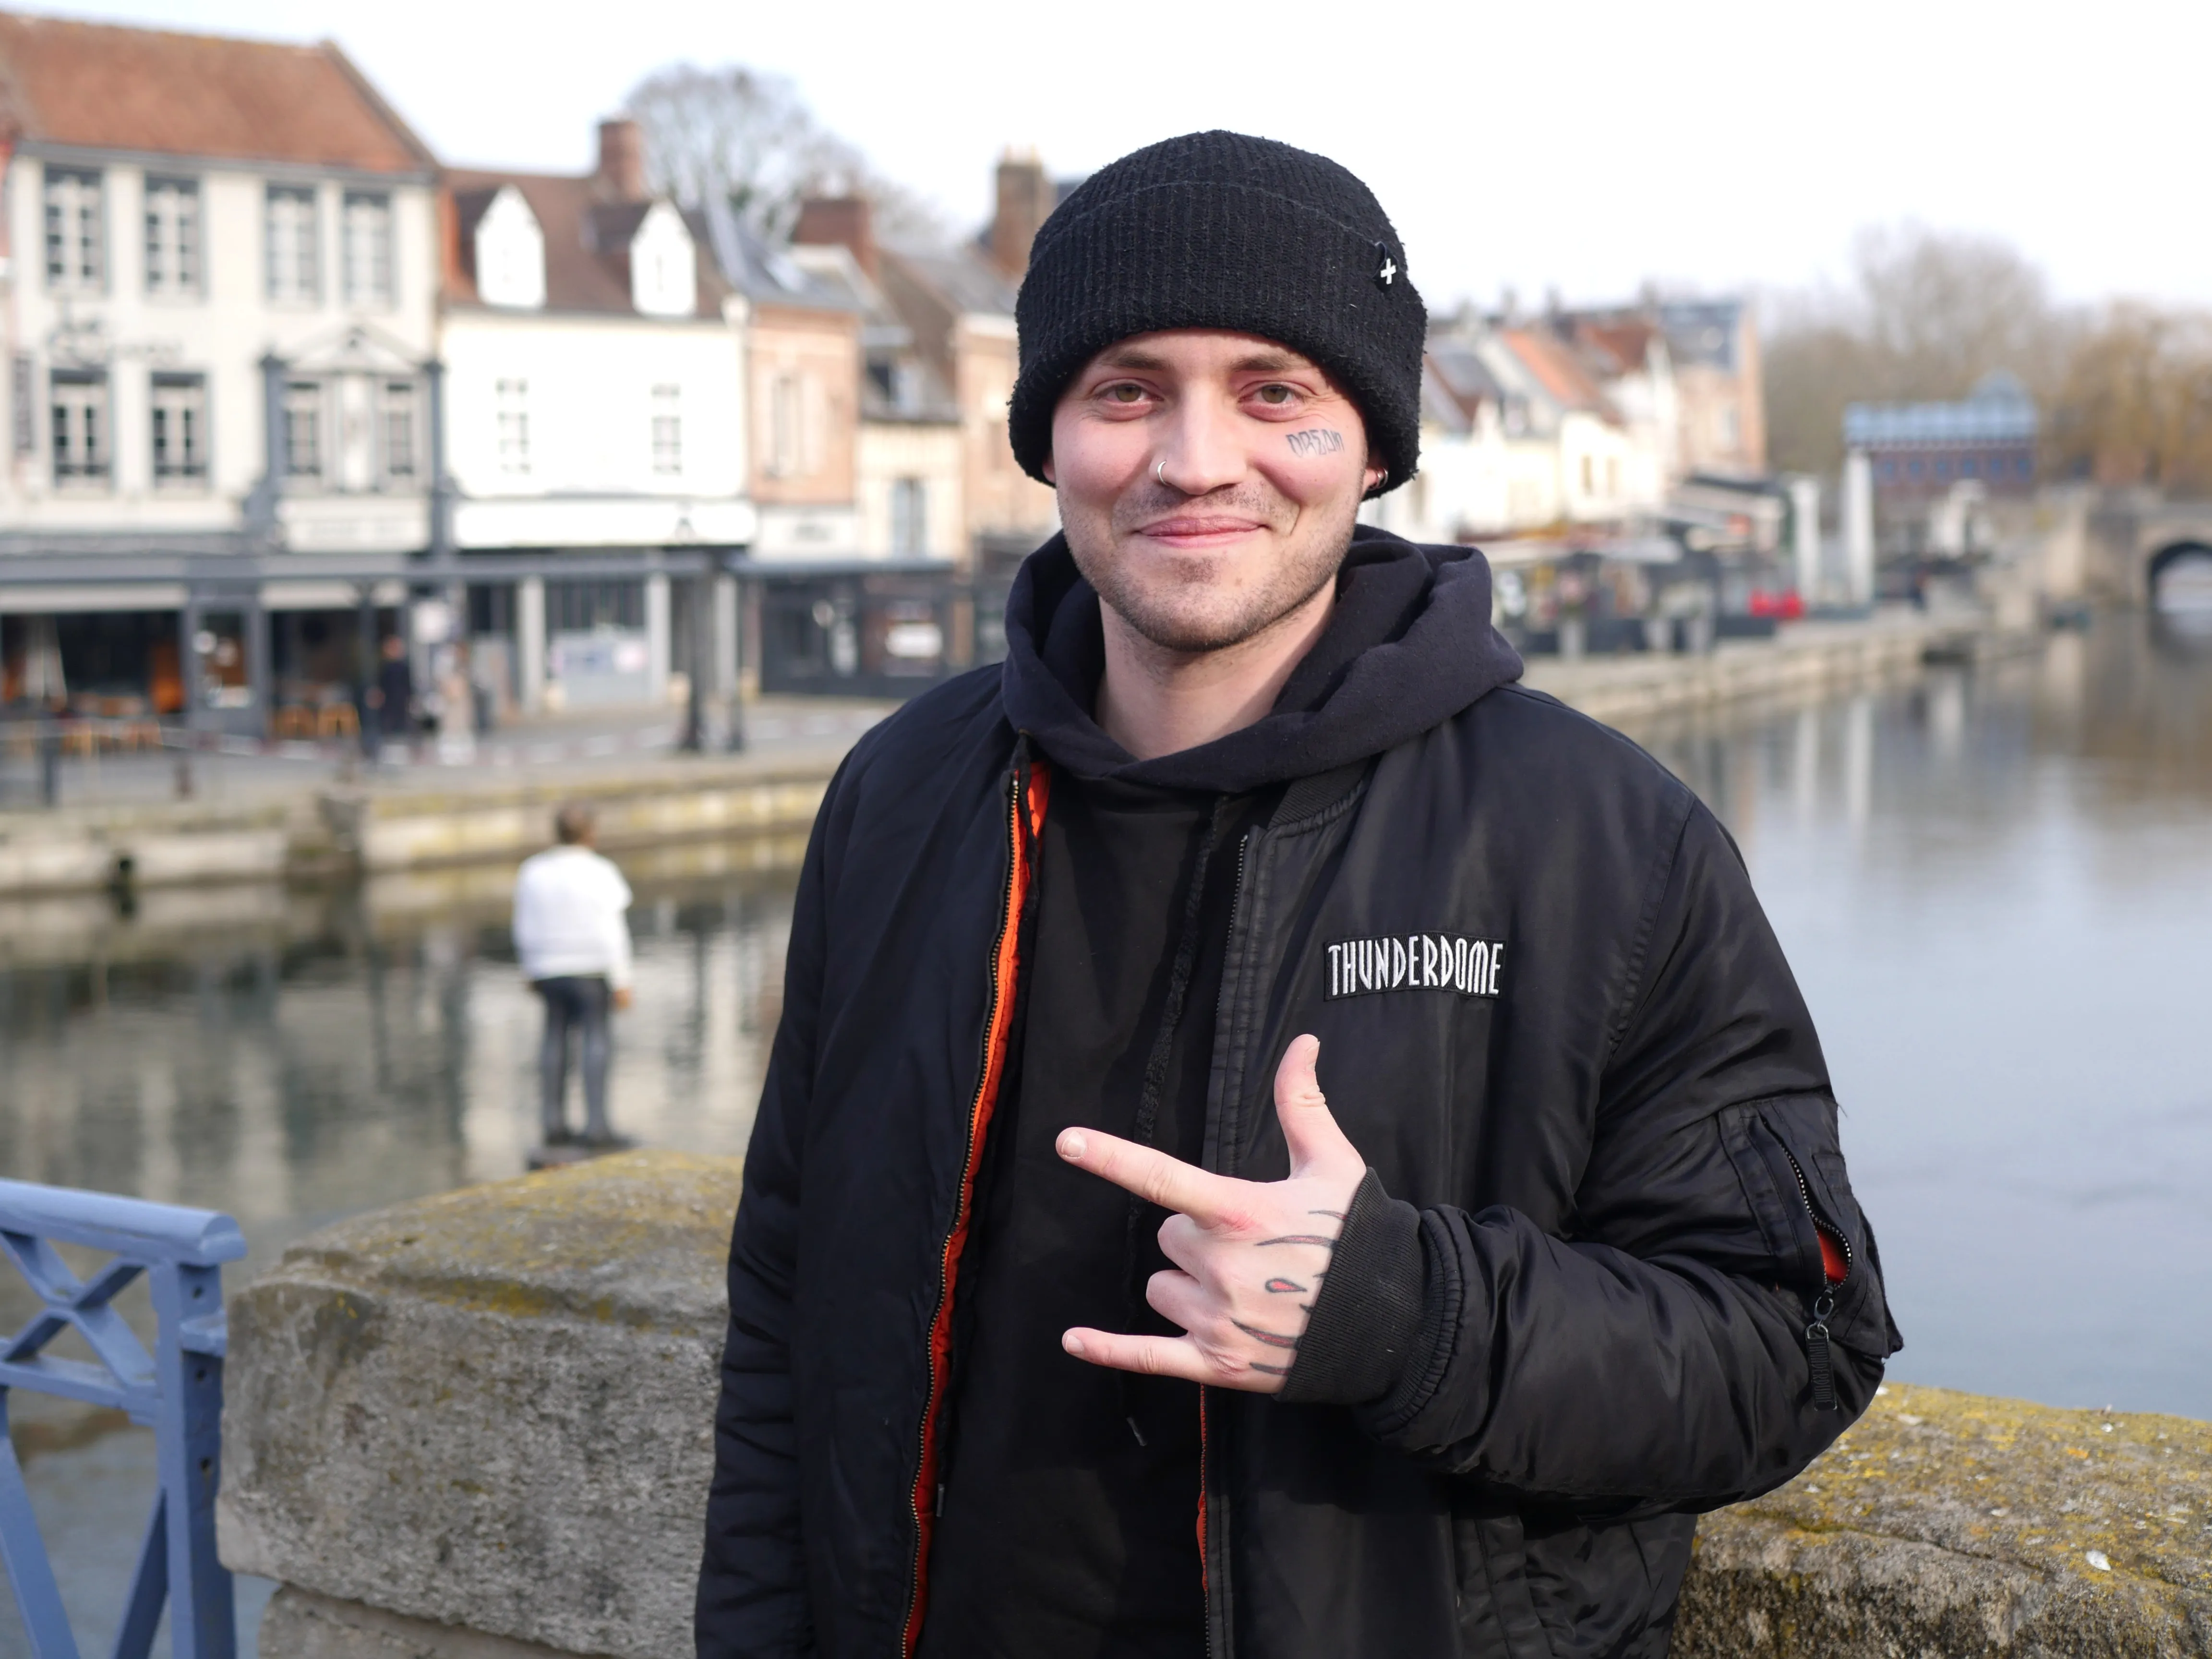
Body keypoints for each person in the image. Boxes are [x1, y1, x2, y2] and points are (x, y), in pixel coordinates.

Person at [696, 132, 1900, 1659]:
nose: (1197, 458)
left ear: (1376, 444)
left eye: (1277, 394)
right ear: (1047, 434)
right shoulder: (900, 798)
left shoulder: (1601, 839)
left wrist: (1409, 1312)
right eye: (1127, 390)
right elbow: (788, 1309)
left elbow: (1797, 1340)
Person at [512, 801, 635, 1149]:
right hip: (591, 967)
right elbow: (614, 930)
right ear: (590, 833)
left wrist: (529, 967)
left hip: (549, 967)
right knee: (596, 1042)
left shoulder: (533, 871)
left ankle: (553, 1124)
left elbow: (524, 925)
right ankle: (597, 1127)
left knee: (554, 1041)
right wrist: (623, 979)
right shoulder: (600, 870)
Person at [364, 633, 416, 764]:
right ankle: (377, 752)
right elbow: (380, 686)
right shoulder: (385, 667)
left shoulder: (403, 667)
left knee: (404, 726)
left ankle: (412, 750)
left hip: (400, 701)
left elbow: (409, 686)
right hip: (389, 703)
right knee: (385, 727)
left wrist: (411, 700)